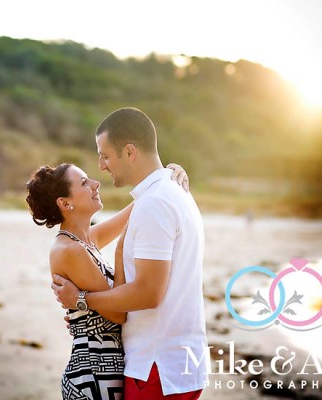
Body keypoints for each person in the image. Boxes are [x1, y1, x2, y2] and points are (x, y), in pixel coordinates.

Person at [52, 107, 207, 400]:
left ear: (129, 151)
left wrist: (81, 301)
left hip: (156, 366)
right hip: (176, 364)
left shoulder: (156, 202)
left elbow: (148, 293)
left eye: (105, 156)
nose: (101, 167)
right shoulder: (171, 193)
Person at [26, 160, 188, 400]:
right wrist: (120, 254)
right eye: (84, 182)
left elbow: (139, 206)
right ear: (65, 203)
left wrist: (165, 177)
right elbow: (118, 314)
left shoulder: (85, 240)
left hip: (106, 367)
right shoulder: (70, 249)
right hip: (93, 374)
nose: (95, 184)